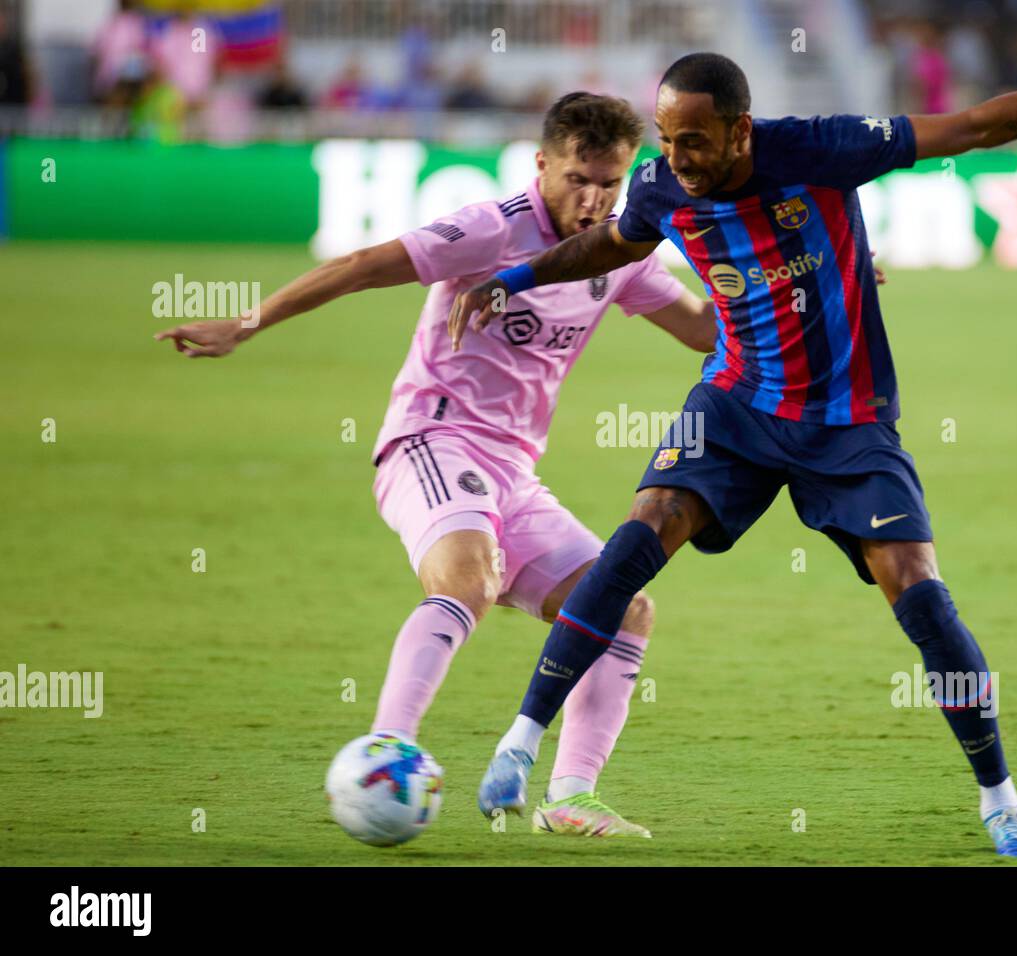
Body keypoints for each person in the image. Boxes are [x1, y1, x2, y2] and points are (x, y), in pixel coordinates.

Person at [449, 49, 1017, 857]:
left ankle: (1000, 798)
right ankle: (521, 740)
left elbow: (978, 126)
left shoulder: (822, 148)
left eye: (696, 142)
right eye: (668, 140)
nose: (678, 161)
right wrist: (518, 277)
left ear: (741, 130)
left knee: (917, 590)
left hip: (847, 421)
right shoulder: (660, 184)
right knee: (640, 534)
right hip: (737, 404)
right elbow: (617, 242)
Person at [154, 92, 721, 838]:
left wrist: (810, 297)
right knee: (468, 579)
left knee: (625, 609)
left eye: (610, 184)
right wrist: (248, 322)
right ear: (542, 163)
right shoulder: (489, 230)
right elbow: (363, 265)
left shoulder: (617, 253)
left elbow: (702, 329)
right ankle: (386, 750)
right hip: (431, 440)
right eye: (578, 179)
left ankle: (570, 796)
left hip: (513, 474)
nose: (593, 200)